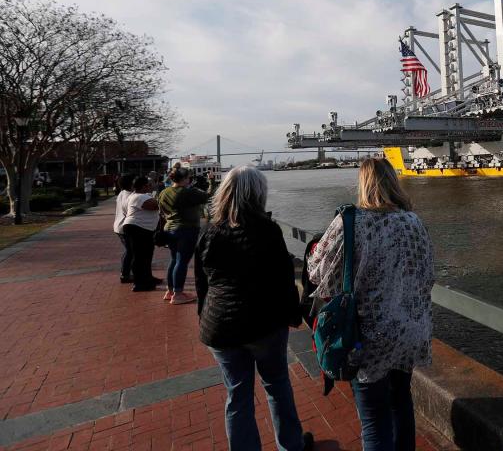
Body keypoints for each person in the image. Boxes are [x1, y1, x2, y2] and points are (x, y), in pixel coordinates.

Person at [307, 157, 434, 451]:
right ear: (393, 182)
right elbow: (427, 274)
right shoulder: (414, 221)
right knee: (401, 403)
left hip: (368, 338)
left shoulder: (350, 221)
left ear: (363, 184)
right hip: (408, 332)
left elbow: (316, 271)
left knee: (374, 420)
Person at [195, 166, 311, 451]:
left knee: (237, 394)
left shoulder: (209, 231)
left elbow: (202, 283)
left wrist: (205, 315)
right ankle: (291, 445)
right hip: (264, 324)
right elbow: (284, 279)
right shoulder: (267, 230)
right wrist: (294, 314)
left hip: (219, 326)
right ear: (259, 194)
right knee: (277, 386)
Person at [157, 166, 211, 305]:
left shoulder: (164, 192)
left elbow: (161, 211)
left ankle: (170, 291)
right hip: (186, 230)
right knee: (182, 262)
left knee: (174, 260)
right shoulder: (188, 192)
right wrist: (212, 182)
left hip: (170, 229)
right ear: (185, 178)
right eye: (188, 177)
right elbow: (208, 196)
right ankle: (178, 295)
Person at [122, 176, 161, 291]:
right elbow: (156, 205)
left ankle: (147, 278)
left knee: (146, 256)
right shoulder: (140, 197)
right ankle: (139, 283)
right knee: (139, 257)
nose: (151, 186)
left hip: (143, 229)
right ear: (144, 186)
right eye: (149, 184)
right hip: (137, 229)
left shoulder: (137, 196)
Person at [113, 174, 135, 284]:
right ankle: (125, 274)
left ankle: (126, 272)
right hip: (124, 227)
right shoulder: (129, 196)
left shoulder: (122, 193)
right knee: (130, 251)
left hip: (119, 226)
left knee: (129, 251)